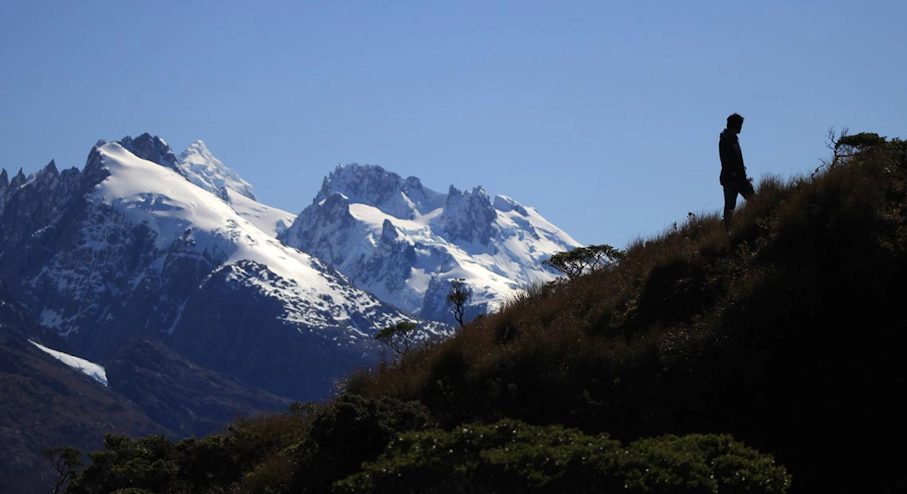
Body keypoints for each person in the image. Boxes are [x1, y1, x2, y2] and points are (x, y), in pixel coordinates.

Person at [719, 112, 754, 228]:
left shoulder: (733, 139)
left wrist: (742, 175)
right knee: (730, 208)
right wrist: (734, 174)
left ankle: (753, 221)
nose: (741, 127)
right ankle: (728, 232)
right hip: (731, 180)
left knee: (753, 198)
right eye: (740, 125)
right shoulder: (726, 139)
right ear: (736, 125)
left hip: (739, 178)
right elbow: (726, 160)